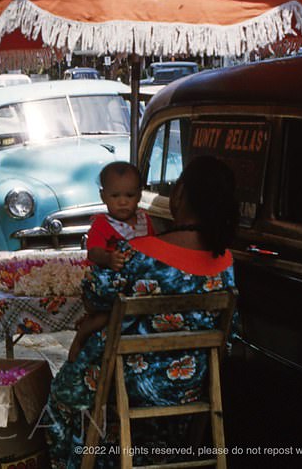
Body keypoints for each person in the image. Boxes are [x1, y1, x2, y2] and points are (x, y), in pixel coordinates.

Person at [45, 156, 238, 467]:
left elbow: (94, 297)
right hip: (190, 388)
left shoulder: (136, 252)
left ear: (180, 196)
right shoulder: (226, 262)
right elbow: (229, 335)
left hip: (128, 384)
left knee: (63, 394)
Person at [67, 161, 154, 362]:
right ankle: (82, 334)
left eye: (129, 196)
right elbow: (93, 252)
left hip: (134, 283)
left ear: (140, 195)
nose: (123, 202)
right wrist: (108, 258)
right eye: (115, 196)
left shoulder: (144, 220)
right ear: (103, 196)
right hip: (106, 283)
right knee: (107, 314)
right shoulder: (102, 224)